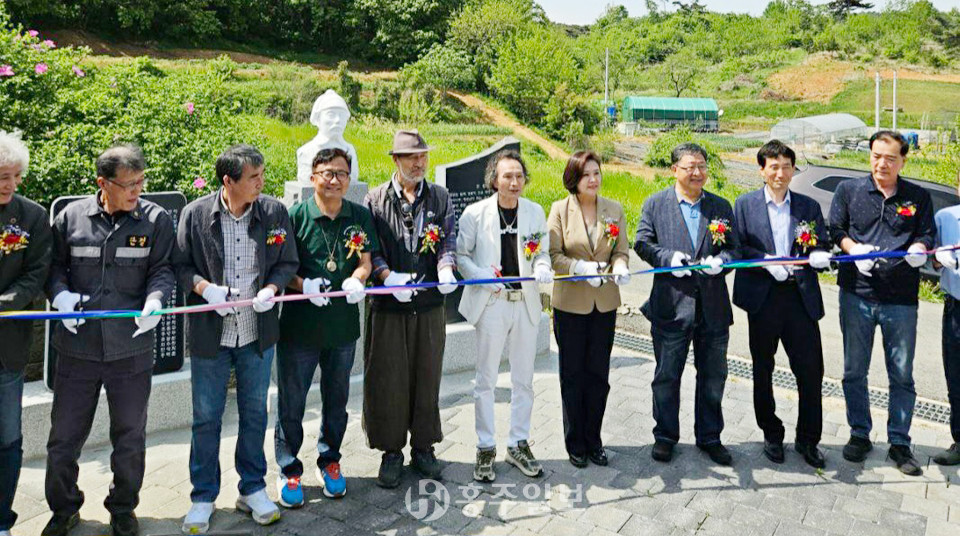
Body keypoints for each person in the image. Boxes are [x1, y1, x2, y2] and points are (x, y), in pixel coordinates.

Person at [43, 144, 175, 536]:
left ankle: (122, 509)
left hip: (131, 350)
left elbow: (163, 270)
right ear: (103, 184)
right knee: (63, 438)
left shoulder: (154, 220)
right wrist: (60, 296)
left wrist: (155, 300)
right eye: (128, 184)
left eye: (141, 181)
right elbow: (53, 269)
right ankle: (64, 508)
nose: (137, 191)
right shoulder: (71, 218)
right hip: (78, 350)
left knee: (130, 436)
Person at [174, 145, 298, 532]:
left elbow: (287, 261)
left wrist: (273, 288)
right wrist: (203, 288)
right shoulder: (196, 215)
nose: (261, 183)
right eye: (253, 178)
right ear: (228, 181)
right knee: (206, 417)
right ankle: (203, 496)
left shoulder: (273, 212)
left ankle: (253, 487)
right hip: (213, 334)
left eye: (262, 175)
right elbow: (178, 266)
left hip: (257, 333)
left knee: (255, 412)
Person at [274, 148, 379, 506]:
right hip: (300, 328)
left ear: (349, 179)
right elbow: (281, 267)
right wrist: (303, 285)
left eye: (341, 173)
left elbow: (365, 261)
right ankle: (289, 468)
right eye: (327, 172)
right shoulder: (295, 216)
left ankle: (330, 460)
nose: (334, 179)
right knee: (292, 402)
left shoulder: (358, 215)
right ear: (312, 175)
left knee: (337, 401)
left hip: (341, 327)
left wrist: (358, 279)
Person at [828, 130, 935, 476]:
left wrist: (920, 249)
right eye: (876, 155)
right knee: (854, 370)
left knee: (901, 374)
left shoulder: (917, 196)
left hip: (901, 299)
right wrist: (851, 249)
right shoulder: (849, 190)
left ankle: (900, 442)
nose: (881, 163)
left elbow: (926, 234)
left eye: (890, 158)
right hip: (856, 294)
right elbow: (835, 229)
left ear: (903, 160)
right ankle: (859, 433)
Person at [362, 130, 458, 488]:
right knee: (389, 379)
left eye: (423, 157)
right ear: (395, 161)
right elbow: (372, 248)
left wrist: (446, 266)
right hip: (389, 306)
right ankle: (391, 452)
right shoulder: (374, 199)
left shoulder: (440, 197)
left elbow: (448, 237)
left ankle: (423, 447)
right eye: (410, 158)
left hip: (430, 305)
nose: (418, 164)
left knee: (427, 374)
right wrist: (386, 277)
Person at [634, 142, 739, 466]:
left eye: (702, 166)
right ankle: (665, 436)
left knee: (713, 377)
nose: (697, 173)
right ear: (674, 170)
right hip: (671, 306)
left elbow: (735, 249)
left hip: (713, 309)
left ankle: (710, 437)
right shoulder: (655, 204)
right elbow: (642, 241)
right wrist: (668, 258)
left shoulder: (721, 206)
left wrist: (723, 261)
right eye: (690, 167)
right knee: (667, 376)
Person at [732, 140, 832, 468]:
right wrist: (764, 260)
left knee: (811, 370)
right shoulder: (744, 205)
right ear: (762, 169)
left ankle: (808, 439)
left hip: (800, 297)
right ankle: (772, 434)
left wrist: (820, 254)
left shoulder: (808, 207)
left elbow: (822, 241)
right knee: (763, 368)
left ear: (793, 170)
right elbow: (737, 248)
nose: (780, 173)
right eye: (773, 166)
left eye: (787, 166)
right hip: (763, 297)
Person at [457, 150, 554, 482]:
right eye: (507, 176)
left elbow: (540, 251)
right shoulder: (475, 214)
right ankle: (485, 446)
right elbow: (461, 257)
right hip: (492, 303)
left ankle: (518, 442)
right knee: (485, 379)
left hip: (525, 301)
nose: (514, 182)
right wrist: (481, 274)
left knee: (524, 379)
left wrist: (542, 267)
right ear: (494, 180)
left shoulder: (534, 212)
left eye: (519, 176)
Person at [547, 150, 630, 468]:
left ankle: (594, 439)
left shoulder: (614, 209)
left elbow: (620, 250)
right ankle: (575, 441)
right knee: (572, 374)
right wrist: (579, 268)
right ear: (574, 179)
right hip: (570, 305)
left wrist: (620, 266)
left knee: (599, 374)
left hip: (604, 303)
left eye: (597, 173)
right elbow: (553, 255)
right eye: (587, 175)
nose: (594, 179)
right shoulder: (559, 210)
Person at [0, 131, 52, 536]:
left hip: (8, 347)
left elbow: (37, 272)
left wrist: (5, 302)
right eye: (2, 176)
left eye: (15, 176)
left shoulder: (31, 216)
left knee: (7, 438)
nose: (10, 184)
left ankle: (2, 518)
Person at [929, 169, 960, 466]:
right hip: (956, 308)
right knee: (956, 377)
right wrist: (939, 256)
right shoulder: (946, 218)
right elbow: (931, 257)